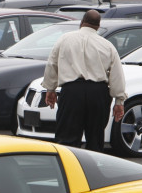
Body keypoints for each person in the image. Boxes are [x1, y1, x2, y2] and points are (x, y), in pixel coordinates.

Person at [41, 10, 126, 152]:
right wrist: (119, 102)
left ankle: (68, 169)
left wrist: (50, 89)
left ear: (82, 22)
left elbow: (52, 64)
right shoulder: (107, 45)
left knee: (67, 139)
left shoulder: (64, 39)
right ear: (98, 26)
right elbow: (117, 75)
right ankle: (92, 171)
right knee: (95, 138)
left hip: (71, 91)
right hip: (98, 93)